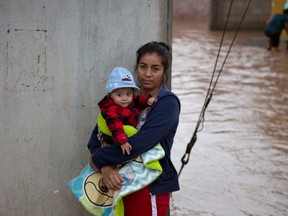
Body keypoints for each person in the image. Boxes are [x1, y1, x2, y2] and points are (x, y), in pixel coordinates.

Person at [88, 41, 181, 215]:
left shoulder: (168, 103)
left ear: (164, 72)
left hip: (151, 186)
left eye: (155, 69)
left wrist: (99, 158)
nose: (147, 74)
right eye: (143, 66)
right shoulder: (123, 98)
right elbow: (97, 138)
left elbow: (139, 143)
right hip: (117, 184)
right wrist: (105, 168)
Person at [98, 67, 155, 155]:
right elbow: (116, 127)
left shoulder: (129, 101)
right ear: (110, 95)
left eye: (128, 94)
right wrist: (123, 141)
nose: (124, 98)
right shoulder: (111, 110)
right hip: (115, 141)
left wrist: (147, 100)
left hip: (127, 135)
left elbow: (136, 100)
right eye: (119, 94)